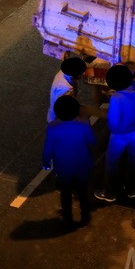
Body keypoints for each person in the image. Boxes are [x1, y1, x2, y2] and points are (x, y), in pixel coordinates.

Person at [94, 64, 135, 203]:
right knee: (134, 160)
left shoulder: (117, 98)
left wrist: (115, 131)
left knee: (112, 163)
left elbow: (113, 122)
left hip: (120, 135)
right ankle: (132, 190)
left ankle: (108, 193)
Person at [42, 95, 97, 229]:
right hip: (82, 165)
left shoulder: (53, 127)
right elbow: (92, 141)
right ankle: (85, 215)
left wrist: (46, 162)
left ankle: (67, 218)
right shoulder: (83, 123)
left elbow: (48, 148)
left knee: (65, 193)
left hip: (63, 167)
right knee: (83, 192)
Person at [46, 55, 87, 123]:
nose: (83, 73)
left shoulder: (64, 72)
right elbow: (69, 110)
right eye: (82, 73)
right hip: (59, 120)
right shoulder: (66, 91)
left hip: (56, 115)